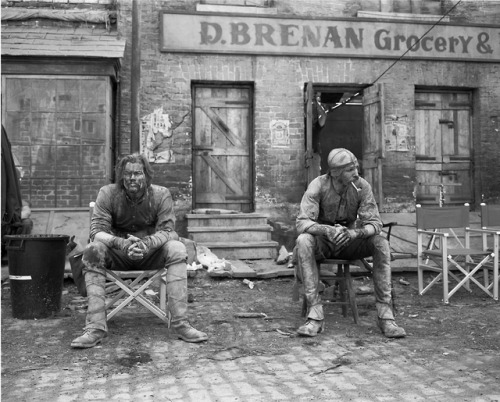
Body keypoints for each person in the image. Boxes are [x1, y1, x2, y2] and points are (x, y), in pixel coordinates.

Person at [71, 153, 208, 348]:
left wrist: (146, 244)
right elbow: (96, 233)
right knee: (93, 249)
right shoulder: (107, 193)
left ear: (146, 175)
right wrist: (123, 244)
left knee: (177, 248)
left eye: (137, 173)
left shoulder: (161, 195)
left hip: (151, 254)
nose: (132, 178)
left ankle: (181, 325)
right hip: (118, 254)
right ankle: (95, 328)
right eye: (127, 174)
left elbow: (169, 232)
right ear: (121, 176)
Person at [294, 148, 406, 338]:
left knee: (381, 243)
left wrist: (355, 233)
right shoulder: (318, 185)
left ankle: (386, 318)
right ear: (336, 173)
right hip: (325, 243)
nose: (356, 173)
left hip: (350, 241)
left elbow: (375, 224)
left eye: (356, 168)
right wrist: (327, 230)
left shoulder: (362, 186)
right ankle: (315, 316)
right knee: (303, 240)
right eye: (350, 169)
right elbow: (302, 222)